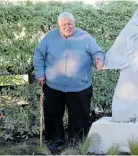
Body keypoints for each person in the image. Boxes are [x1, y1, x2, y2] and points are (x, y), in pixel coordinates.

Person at [33, 11, 105, 150]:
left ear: (74, 24)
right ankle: (55, 143)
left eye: (70, 24)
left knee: (79, 118)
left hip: (80, 86)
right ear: (59, 25)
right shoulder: (49, 37)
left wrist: (99, 60)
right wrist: (40, 74)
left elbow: (98, 52)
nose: (67, 27)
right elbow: (39, 55)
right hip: (54, 86)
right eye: (64, 24)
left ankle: (77, 145)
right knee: (53, 116)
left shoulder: (85, 37)